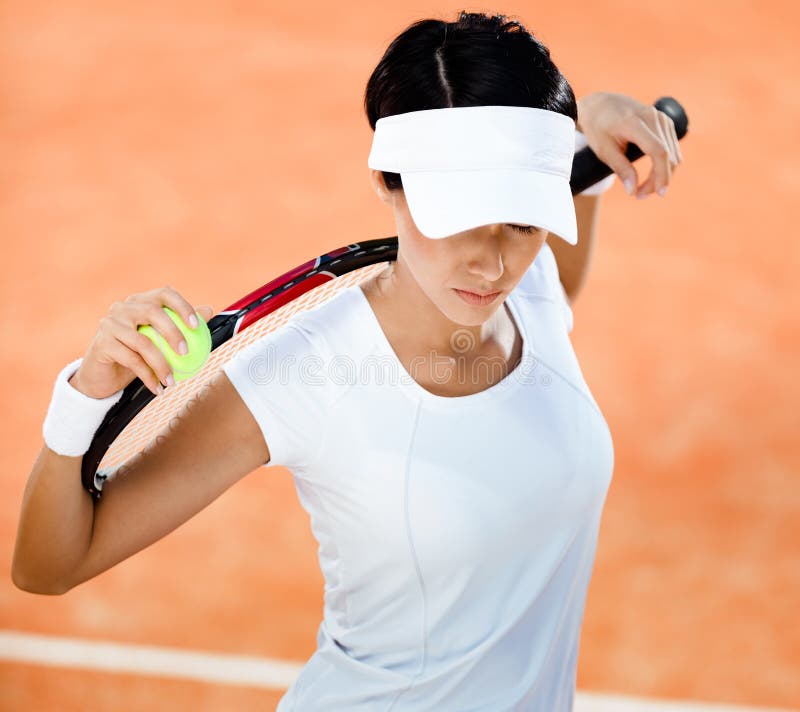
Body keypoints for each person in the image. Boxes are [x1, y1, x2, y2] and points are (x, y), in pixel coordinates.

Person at [13, 10, 681, 711]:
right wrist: (82, 399)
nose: (491, 263)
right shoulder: (303, 374)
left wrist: (583, 140)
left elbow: (555, 288)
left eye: (522, 217)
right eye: (457, 216)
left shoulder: (528, 284)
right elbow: (49, 566)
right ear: (388, 183)